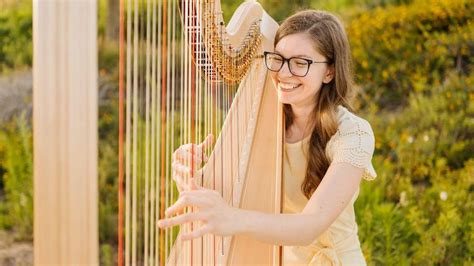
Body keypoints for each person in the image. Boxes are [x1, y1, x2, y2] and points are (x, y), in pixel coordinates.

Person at [158, 10, 377, 265]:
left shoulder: (353, 135)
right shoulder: (264, 119)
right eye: (279, 59)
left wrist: (232, 218)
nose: (284, 73)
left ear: (329, 72)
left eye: (300, 62)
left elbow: (310, 226)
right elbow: (223, 202)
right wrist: (190, 176)